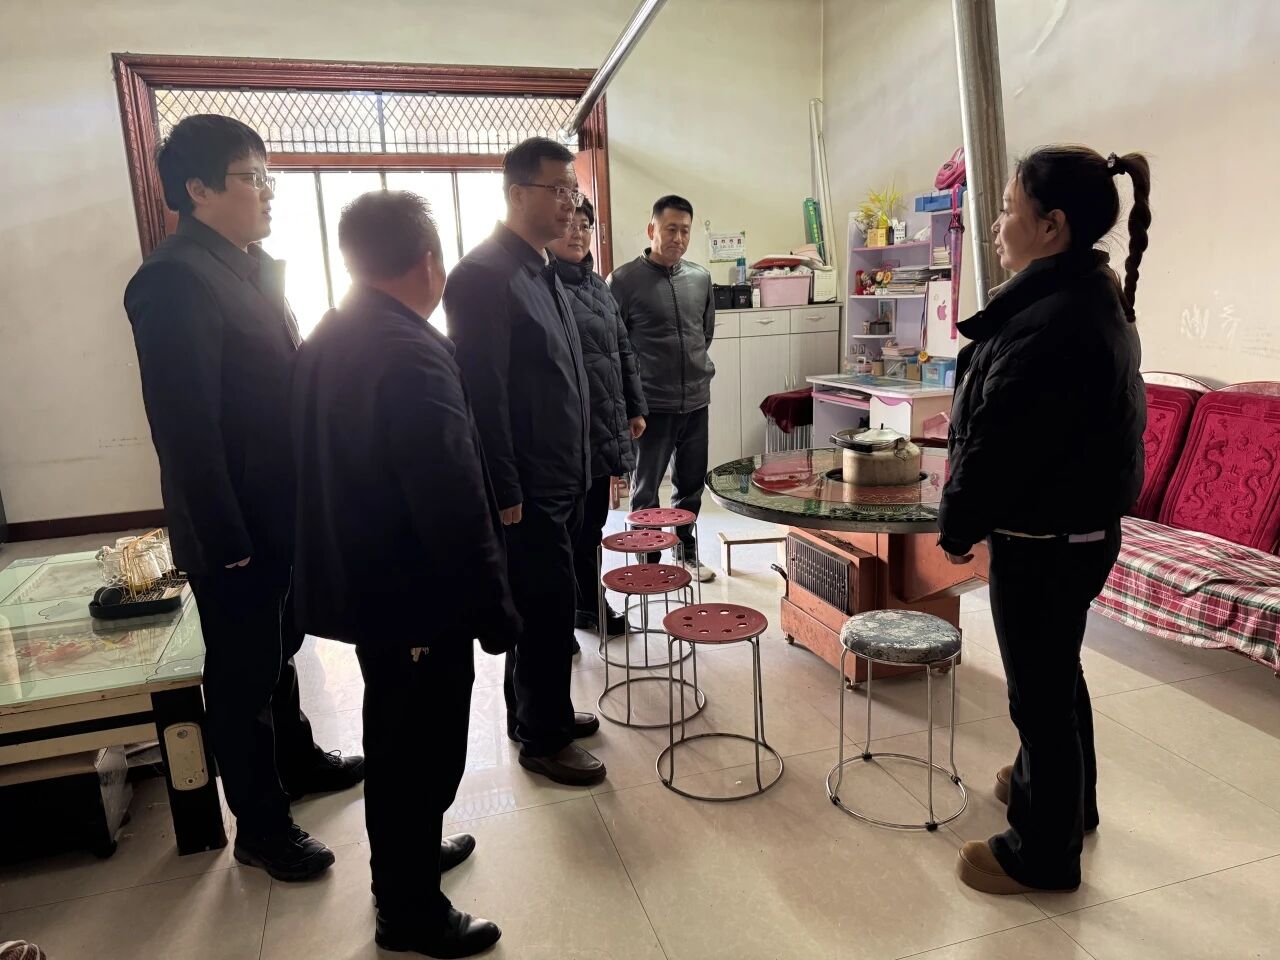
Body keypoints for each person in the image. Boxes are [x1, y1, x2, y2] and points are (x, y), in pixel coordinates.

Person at [123, 114, 362, 883]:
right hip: (234, 526)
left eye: (267, 176)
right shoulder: (174, 279)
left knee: (279, 649)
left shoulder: (245, 266)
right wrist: (225, 535)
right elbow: (185, 426)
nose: (267, 191)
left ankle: (298, 762)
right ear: (197, 189)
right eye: (251, 177)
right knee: (240, 677)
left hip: (276, 509)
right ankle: (260, 826)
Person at [292, 190, 517, 958]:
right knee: (420, 750)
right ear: (428, 262)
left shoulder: (331, 332)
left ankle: (408, 858)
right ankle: (409, 911)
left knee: (395, 734)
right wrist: (495, 609)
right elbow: (452, 496)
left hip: (366, 583)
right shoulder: (412, 350)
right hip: (414, 596)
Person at [939, 146, 1150, 895]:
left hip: (1047, 537)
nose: (996, 224)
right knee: (1056, 671)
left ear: (1051, 225)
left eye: (1007, 210)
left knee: (1038, 692)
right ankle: (1067, 798)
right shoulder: (1080, 293)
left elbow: (1002, 445)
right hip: (1076, 529)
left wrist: (957, 525)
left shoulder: (1054, 321)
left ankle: (1042, 852)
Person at [445, 137, 606, 787]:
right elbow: (482, 392)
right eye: (557, 190)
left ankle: (537, 713)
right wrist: (505, 486)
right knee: (543, 609)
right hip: (530, 486)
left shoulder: (541, 268)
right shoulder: (483, 275)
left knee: (549, 604)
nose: (570, 203)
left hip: (565, 473)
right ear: (517, 194)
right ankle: (544, 739)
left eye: (574, 190)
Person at [547, 197, 648, 638]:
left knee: (591, 525)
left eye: (585, 224)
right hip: (566, 433)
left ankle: (588, 604)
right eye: (568, 223)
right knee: (563, 533)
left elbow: (622, 349)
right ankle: (563, 619)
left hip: (603, 425)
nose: (577, 232)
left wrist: (635, 406)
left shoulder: (597, 285)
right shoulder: (542, 285)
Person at [607, 195, 716, 581]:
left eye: (685, 230)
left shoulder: (700, 278)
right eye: (671, 229)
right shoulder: (623, 281)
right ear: (652, 229)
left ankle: (686, 550)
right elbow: (615, 346)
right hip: (650, 406)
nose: (678, 238)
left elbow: (704, 333)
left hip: (696, 401)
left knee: (691, 485)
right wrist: (629, 405)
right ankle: (648, 560)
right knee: (646, 489)